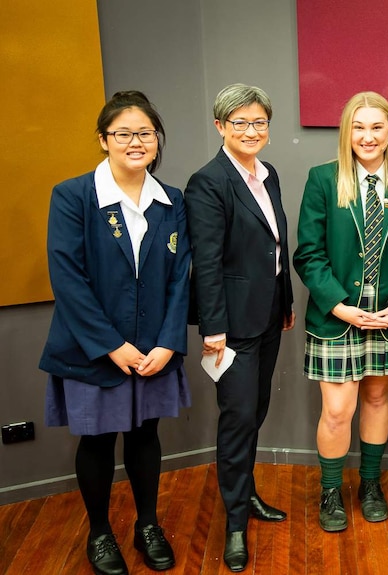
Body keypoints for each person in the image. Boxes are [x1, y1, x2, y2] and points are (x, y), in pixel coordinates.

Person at [40, 91, 190, 575]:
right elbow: (67, 278)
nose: (135, 141)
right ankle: (100, 533)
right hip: (94, 350)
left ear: (157, 139)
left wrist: (168, 341)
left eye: (145, 133)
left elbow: (180, 275)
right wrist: (112, 345)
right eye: (123, 133)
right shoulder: (73, 196)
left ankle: (147, 525)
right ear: (103, 140)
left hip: (154, 349)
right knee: (98, 442)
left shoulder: (173, 201)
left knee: (146, 436)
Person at [293, 91, 388, 532]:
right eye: (358, 127)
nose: (367, 136)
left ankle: (369, 485)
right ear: (347, 131)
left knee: (378, 398)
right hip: (336, 318)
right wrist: (339, 306)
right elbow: (307, 254)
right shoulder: (323, 179)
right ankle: (331, 490)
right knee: (337, 411)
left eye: (376, 127)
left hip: (387, 321)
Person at [184, 84, 295, 573]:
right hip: (230, 326)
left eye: (259, 123)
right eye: (240, 123)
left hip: (268, 313)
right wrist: (213, 327)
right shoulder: (207, 182)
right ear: (219, 127)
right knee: (236, 419)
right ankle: (233, 525)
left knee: (256, 412)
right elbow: (206, 262)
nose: (251, 131)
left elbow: (275, 244)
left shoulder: (267, 174)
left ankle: (246, 495)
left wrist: (285, 300)